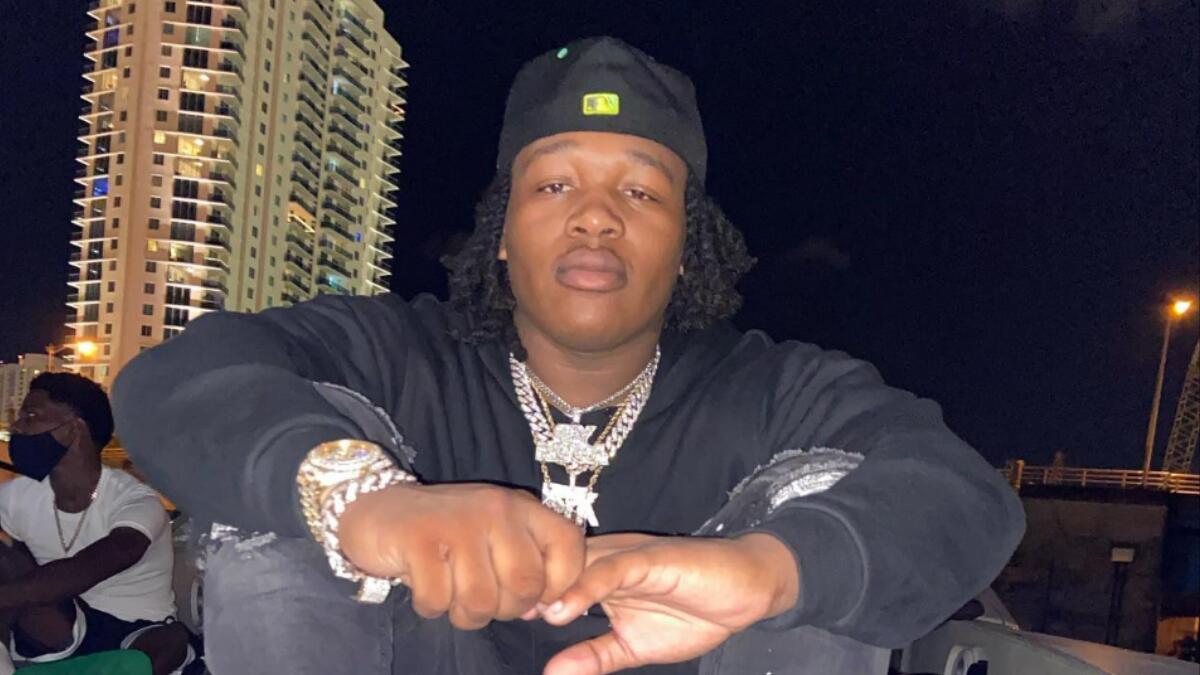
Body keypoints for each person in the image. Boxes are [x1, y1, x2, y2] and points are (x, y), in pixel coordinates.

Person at [113, 36, 1025, 675]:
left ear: (687, 246)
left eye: (641, 191)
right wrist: (359, 496)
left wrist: (773, 567)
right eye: (554, 184)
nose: (595, 216)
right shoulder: (400, 351)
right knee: (296, 479)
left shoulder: (772, 388)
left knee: (823, 499)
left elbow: (960, 491)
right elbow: (178, 380)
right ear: (502, 233)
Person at [0, 374, 191, 674]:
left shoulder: (136, 502)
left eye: (31, 416)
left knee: (170, 641)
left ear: (74, 429)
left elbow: (94, 565)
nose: (17, 427)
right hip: (63, 629)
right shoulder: (16, 497)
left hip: (135, 630)